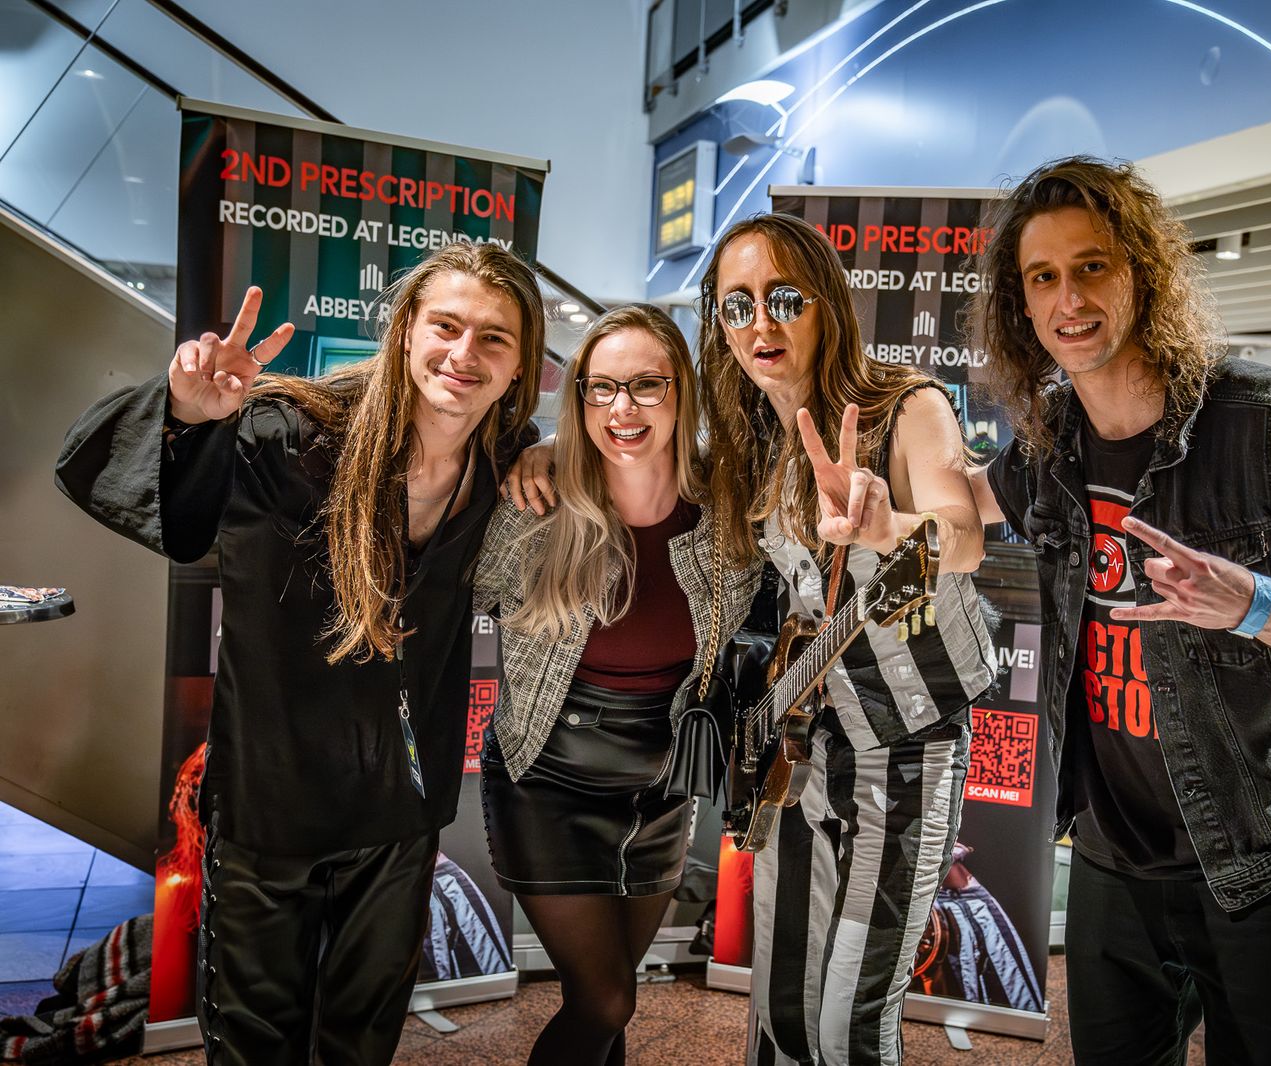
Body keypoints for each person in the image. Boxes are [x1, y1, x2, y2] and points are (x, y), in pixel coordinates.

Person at [964, 156, 1271, 1066]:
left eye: (1092, 266)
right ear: (1022, 303)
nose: (1068, 299)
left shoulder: (1268, 419)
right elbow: (962, 505)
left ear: (1142, 271)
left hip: (1266, 852)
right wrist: (879, 509)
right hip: (1113, 855)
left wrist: (1252, 605)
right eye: (1042, 277)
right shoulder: (1051, 441)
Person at [55, 241, 545, 1065]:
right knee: (256, 1043)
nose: (465, 353)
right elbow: (140, 499)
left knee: (362, 1038)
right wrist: (185, 415)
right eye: (446, 326)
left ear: (521, 362)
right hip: (271, 805)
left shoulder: (503, 459)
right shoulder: (289, 435)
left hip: (400, 810)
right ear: (406, 330)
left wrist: (551, 453)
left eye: (494, 337)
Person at [697, 212, 997, 1066]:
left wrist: (890, 528)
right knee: (780, 1012)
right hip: (802, 744)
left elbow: (963, 535)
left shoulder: (907, 405)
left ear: (826, 303)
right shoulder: (751, 438)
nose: (760, 322)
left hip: (908, 746)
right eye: (737, 305)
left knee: (850, 1026)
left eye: (783, 297)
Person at [474, 305, 759, 1066]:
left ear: (680, 393)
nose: (621, 408)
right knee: (605, 999)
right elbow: (461, 589)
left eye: (644, 385)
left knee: (608, 1003)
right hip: (547, 778)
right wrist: (534, 452)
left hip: (662, 786)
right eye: (600, 388)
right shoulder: (538, 506)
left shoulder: (727, 508)